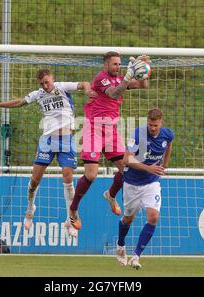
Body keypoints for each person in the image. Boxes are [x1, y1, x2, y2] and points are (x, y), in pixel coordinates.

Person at [0, 68, 96, 237]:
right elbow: (19, 102)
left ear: (53, 79)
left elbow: (84, 83)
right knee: (35, 181)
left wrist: (87, 90)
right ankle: (30, 208)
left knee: (68, 177)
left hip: (66, 140)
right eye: (42, 83)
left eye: (47, 82)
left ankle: (70, 217)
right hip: (48, 141)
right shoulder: (38, 94)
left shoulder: (62, 87)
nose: (45, 86)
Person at [69, 51, 151, 230]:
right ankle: (73, 209)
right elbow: (114, 93)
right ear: (106, 65)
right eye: (115, 64)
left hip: (111, 130)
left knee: (127, 170)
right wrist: (128, 76)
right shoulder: (101, 78)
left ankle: (110, 195)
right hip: (94, 128)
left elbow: (143, 85)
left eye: (120, 64)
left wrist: (145, 70)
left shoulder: (120, 78)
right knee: (91, 175)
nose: (118, 66)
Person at [115, 108, 173, 269]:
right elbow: (126, 159)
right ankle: (120, 246)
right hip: (132, 183)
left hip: (152, 183)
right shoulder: (138, 135)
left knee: (153, 217)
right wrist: (149, 168)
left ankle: (136, 256)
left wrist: (165, 163)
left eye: (155, 125)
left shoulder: (167, 134)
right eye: (149, 124)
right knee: (128, 219)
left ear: (161, 122)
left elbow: (169, 145)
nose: (152, 128)